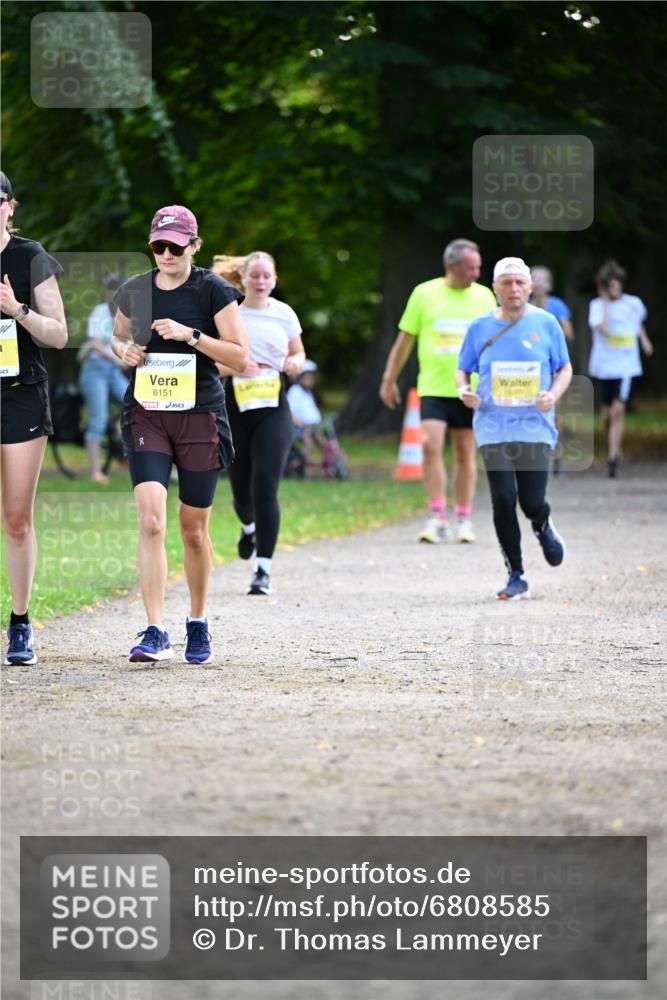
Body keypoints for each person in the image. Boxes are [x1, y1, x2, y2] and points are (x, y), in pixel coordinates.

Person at [110, 205, 248, 663]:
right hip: (147, 413)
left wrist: (192, 336)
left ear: (194, 246)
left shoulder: (213, 290)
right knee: (151, 519)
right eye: (157, 246)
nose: (165, 254)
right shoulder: (137, 290)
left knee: (193, 529)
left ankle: (198, 621)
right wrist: (125, 352)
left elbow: (240, 358)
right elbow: (117, 338)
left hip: (199, 416)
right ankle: (154, 629)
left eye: (174, 246)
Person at [455, 257, 573, 601]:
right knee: (503, 499)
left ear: (530, 287)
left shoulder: (547, 323)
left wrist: (552, 394)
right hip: (492, 424)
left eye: (520, 282)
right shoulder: (478, 327)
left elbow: (564, 368)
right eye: (506, 282)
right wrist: (464, 390)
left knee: (532, 501)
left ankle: (543, 525)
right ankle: (516, 574)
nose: (513, 289)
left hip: (534, 424)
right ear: (495, 288)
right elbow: (463, 370)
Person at [380, 238, 496, 544]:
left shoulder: (484, 297)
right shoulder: (425, 293)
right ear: (452, 266)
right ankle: (437, 516)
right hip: (432, 385)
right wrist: (389, 378)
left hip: (470, 389)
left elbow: (495, 343)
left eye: (478, 268)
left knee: (464, 451)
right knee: (430, 445)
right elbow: (405, 340)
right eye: (471, 267)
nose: (476, 273)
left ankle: (463, 517)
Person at [0, 170, 68, 664]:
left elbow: (58, 335)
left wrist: (16, 309)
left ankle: (20, 624)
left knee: (17, 520)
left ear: (9, 206)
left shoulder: (30, 256)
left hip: (20, 394)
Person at [212, 251, 305, 595]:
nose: (262, 282)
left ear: (275, 279)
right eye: (256, 276)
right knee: (240, 487)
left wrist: (294, 363)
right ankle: (247, 526)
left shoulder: (284, 313)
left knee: (266, 485)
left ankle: (262, 570)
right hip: (235, 405)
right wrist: (237, 366)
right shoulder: (230, 312)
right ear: (243, 279)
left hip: (273, 405)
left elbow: (299, 352)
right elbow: (211, 362)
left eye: (267, 276)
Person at [587, 260, 653, 478]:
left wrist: (644, 340)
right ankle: (613, 446)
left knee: (617, 410)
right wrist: (605, 301)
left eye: (617, 285)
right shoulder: (597, 307)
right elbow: (603, 328)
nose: (614, 289)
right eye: (609, 286)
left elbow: (636, 323)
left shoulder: (634, 303)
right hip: (604, 366)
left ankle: (613, 458)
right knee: (606, 415)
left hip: (626, 365)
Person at [78, 273, 129, 483]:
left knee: (137, 404)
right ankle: (95, 472)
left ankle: (130, 456)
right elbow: (96, 344)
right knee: (98, 420)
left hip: (114, 371)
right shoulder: (99, 312)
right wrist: (117, 359)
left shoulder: (127, 314)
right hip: (96, 368)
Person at [287, 359, 327, 468]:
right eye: (308, 377)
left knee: (323, 442)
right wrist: (298, 422)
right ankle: (299, 464)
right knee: (308, 443)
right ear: (300, 377)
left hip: (313, 426)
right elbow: (289, 411)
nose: (311, 380)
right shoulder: (295, 391)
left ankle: (326, 462)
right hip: (301, 427)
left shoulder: (308, 393)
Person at [529, 266, 575, 343]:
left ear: (549, 285)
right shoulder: (522, 306)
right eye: (534, 279)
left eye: (543, 280)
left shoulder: (557, 305)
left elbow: (569, 335)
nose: (538, 283)